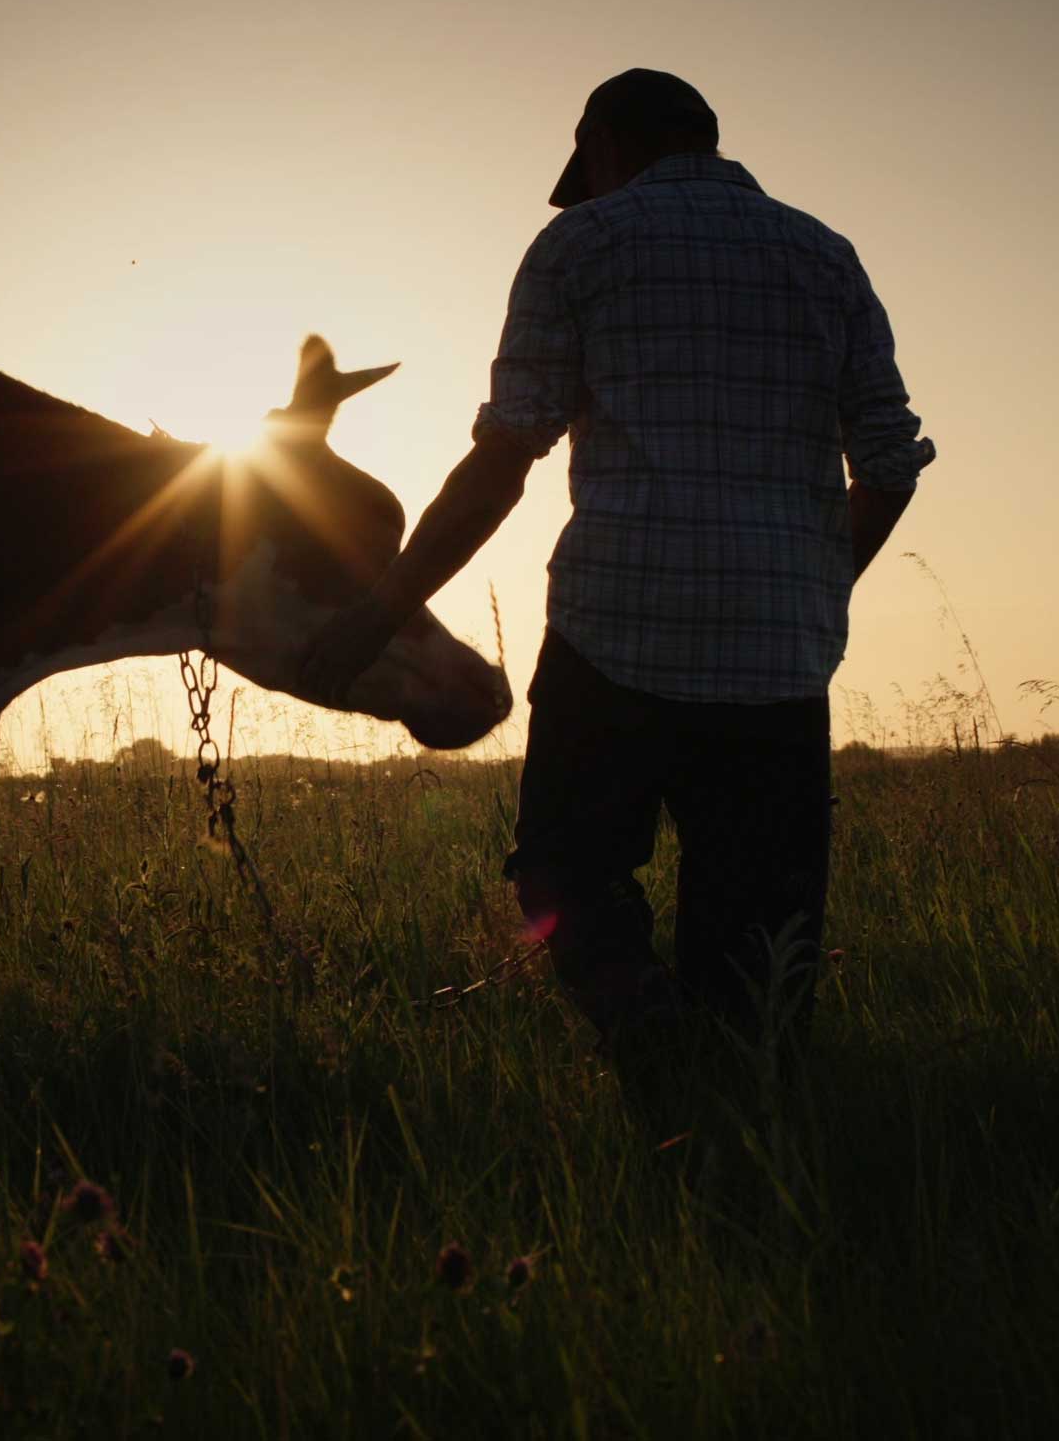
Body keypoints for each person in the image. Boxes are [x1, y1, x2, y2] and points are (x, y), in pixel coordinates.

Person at [296, 68, 935, 1050]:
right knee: (761, 947)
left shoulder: (581, 244)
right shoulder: (826, 258)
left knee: (564, 875)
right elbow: (889, 463)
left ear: (603, 148)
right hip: (778, 664)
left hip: (614, 643)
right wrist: (816, 588)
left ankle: (655, 1044)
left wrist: (378, 613)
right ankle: (734, 1110)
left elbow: (505, 459)